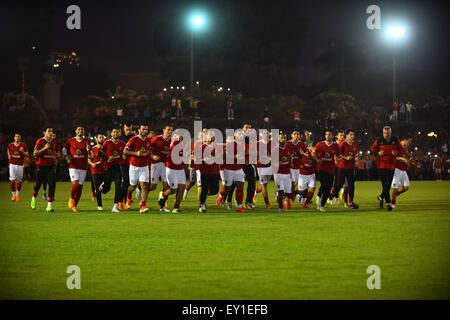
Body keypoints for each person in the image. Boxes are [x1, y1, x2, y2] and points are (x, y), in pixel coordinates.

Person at [371, 126, 402, 211]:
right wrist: (378, 153)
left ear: (391, 132)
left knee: (388, 186)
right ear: (382, 132)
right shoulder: (379, 140)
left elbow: (401, 149)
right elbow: (372, 149)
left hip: (392, 165)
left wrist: (397, 152)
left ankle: (381, 197)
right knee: (385, 185)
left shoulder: (395, 140)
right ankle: (388, 204)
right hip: (382, 165)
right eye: (384, 133)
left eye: (387, 133)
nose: (386, 134)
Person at [124, 124, 152, 213]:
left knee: (144, 186)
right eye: (143, 129)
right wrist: (136, 154)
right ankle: (128, 196)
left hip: (144, 166)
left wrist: (152, 155)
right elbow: (125, 151)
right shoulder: (133, 139)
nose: (145, 131)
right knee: (132, 186)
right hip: (134, 166)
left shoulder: (148, 140)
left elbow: (149, 151)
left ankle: (143, 206)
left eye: (146, 129)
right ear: (139, 130)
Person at [63, 126, 91, 213]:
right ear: (75, 131)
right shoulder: (71, 141)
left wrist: (88, 150)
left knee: (80, 187)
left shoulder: (87, 142)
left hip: (83, 167)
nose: (80, 131)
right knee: (76, 183)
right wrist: (66, 156)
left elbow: (91, 155)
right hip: (73, 166)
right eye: (78, 129)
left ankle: (74, 206)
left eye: (82, 130)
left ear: (84, 132)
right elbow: (64, 149)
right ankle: (71, 197)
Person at [99, 127, 126, 212]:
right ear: (111, 134)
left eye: (117, 132)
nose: (115, 133)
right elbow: (100, 153)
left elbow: (125, 153)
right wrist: (106, 159)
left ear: (119, 134)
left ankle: (115, 206)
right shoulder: (107, 142)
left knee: (118, 186)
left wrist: (124, 156)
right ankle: (103, 186)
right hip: (108, 168)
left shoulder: (122, 143)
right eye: (114, 132)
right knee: (106, 190)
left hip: (117, 167)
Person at [31, 126, 58, 212]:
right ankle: (34, 198)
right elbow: (34, 154)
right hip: (41, 166)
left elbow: (55, 152)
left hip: (50, 167)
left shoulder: (53, 142)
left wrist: (56, 157)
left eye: (52, 131)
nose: (51, 133)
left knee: (52, 184)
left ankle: (49, 205)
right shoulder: (40, 141)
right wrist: (44, 148)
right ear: (44, 133)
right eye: (49, 131)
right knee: (38, 185)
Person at [312, 130, 339, 212]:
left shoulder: (335, 146)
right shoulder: (320, 144)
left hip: (331, 170)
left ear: (332, 136)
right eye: (326, 134)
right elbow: (313, 153)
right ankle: (320, 202)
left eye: (329, 134)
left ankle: (321, 203)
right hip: (321, 169)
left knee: (328, 188)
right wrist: (317, 160)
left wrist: (337, 160)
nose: (327, 136)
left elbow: (338, 156)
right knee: (324, 185)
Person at [158, 133, 186, 213]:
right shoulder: (174, 143)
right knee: (174, 189)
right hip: (171, 168)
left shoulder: (181, 143)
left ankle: (176, 208)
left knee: (182, 187)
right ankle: (163, 195)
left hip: (180, 168)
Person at [331, 129, 359, 209]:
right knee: (339, 185)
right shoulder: (342, 144)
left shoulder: (354, 144)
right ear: (346, 135)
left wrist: (356, 159)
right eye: (351, 134)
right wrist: (345, 157)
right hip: (342, 167)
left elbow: (356, 154)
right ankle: (333, 194)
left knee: (351, 186)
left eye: (353, 134)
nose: (352, 136)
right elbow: (337, 155)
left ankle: (350, 203)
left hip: (351, 168)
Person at [222, 132, 247, 213]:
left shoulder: (242, 145)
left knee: (240, 186)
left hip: (238, 168)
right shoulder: (230, 144)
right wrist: (234, 156)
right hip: (229, 168)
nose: (241, 136)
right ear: (235, 137)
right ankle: (222, 196)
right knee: (228, 188)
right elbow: (224, 154)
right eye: (239, 135)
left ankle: (239, 207)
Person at [150, 125, 173, 212]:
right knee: (153, 187)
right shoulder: (156, 139)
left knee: (166, 185)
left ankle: (162, 206)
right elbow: (148, 149)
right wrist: (152, 156)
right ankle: (140, 189)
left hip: (166, 165)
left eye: (171, 130)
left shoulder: (172, 141)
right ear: (164, 130)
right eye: (168, 130)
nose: (170, 131)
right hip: (155, 164)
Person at [198, 131, 220, 212]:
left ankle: (202, 196)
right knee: (204, 188)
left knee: (215, 190)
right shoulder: (202, 147)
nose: (213, 136)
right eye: (211, 135)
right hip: (204, 171)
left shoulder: (216, 146)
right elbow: (194, 158)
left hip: (214, 171)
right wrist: (203, 159)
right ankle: (202, 205)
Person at [272, 132, 293, 212]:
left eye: (284, 138)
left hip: (287, 173)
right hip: (278, 173)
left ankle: (284, 200)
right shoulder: (275, 149)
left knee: (288, 193)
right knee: (280, 191)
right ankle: (280, 207)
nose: (283, 139)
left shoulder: (288, 148)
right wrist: (277, 163)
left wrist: (290, 163)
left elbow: (290, 156)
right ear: (278, 139)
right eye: (282, 138)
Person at [253, 130, 273, 208]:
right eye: (264, 133)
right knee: (264, 185)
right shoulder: (257, 143)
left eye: (267, 133)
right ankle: (267, 204)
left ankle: (254, 192)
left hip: (270, 166)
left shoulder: (273, 143)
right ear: (261, 135)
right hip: (261, 167)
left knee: (263, 186)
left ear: (269, 135)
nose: (265, 134)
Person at [391, 136, 412, 208]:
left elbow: (406, 159)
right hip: (396, 170)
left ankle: (397, 194)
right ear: (403, 140)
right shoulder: (396, 147)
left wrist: (407, 162)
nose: (406, 145)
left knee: (406, 187)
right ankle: (393, 202)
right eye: (406, 143)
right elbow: (392, 157)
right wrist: (401, 158)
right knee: (395, 187)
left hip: (403, 170)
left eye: (407, 144)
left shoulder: (405, 149)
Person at [7, 133, 29, 201]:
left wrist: (23, 152)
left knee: (19, 180)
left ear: (20, 138)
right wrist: (9, 156)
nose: (17, 138)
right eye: (16, 136)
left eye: (19, 137)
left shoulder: (23, 145)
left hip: (20, 165)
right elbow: (8, 151)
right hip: (12, 164)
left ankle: (17, 194)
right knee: (12, 179)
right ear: (14, 138)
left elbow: (27, 155)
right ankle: (13, 195)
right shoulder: (10, 145)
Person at [119, 123, 134, 210]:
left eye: (130, 129)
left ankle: (128, 200)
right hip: (123, 163)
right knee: (124, 182)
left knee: (131, 183)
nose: (128, 131)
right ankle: (121, 202)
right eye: (127, 129)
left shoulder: (134, 138)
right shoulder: (121, 139)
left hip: (132, 163)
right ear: (123, 129)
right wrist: (122, 155)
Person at [88, 133, 105, 210]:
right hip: (95, 171)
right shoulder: (93, 149)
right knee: (97, 189)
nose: (101, 139)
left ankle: (101, 188)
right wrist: (92, 164)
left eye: (102, 137)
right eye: (100, 137)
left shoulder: (105, 148)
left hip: (104, 170)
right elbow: (89, 159)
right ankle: (99, 206)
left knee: (105, 186)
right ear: (96, 139)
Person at [297, 142, 316, 209]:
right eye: (312, 147)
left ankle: (306, 203)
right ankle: (289, 194)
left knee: (312, 189)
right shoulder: (304, 152)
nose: (313, 148)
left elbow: (316, 161)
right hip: (303, 174)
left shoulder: (315, 154)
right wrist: (300, 164)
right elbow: (297, 158)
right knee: (301, 191)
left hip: (311, 174)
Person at [242, 124, 257, 209]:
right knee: (235, 184)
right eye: (246, 127)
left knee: (252, 183)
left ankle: (248, 202)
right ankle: (230, 200)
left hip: (250, 164)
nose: (248, 129)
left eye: (250, 128)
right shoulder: (240, 138)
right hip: (241, 164)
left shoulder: (252, 139)